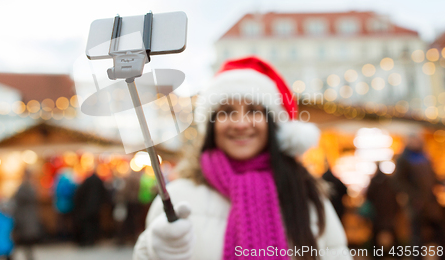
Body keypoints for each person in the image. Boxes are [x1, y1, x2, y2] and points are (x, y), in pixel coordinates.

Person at [133, 57, 352, 260]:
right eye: (227, 111)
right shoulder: (178, 196)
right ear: (211, 124)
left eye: (254, 110)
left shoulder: (306, 196)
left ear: (271, 123)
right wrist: (153, 250)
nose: (240, 124)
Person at [393, 133, 445, 259]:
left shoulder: (424, 156)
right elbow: (398, 182)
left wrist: (440, 183)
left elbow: (433, 177)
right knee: (416, 235)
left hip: (431, 202)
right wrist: (414, 195)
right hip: (416, 204)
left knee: (439, 231)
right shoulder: (403, 159)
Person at [13, 170, 41, 260]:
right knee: (26, 241)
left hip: (25, 218)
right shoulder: (27, 188)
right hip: (26, 218)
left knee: (26, 242)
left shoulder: (25, 188)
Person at [73, 170, 106, 246]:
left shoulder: (87, 181)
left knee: (87, 224)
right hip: (97, 206)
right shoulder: (99, 181)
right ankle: (93, 239)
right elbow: (104, 193)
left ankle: (87, 240)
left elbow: (80, 193)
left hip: (87, 207)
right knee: (94, 224)